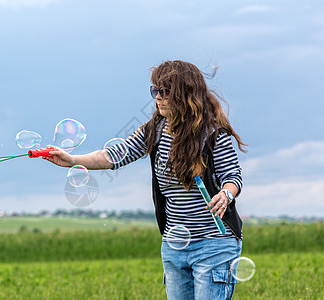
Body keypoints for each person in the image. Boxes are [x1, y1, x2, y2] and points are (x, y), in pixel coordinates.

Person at [43, 60, 247, 300]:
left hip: (214, 243)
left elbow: (233, 176)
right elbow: (115, 154)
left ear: (186, 93)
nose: (158, 97)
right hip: (174, 245)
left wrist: (226, 194)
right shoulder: (156, 129)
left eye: (165, 91)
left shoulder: (213, 134)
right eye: (155, 91)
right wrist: (71, 159)